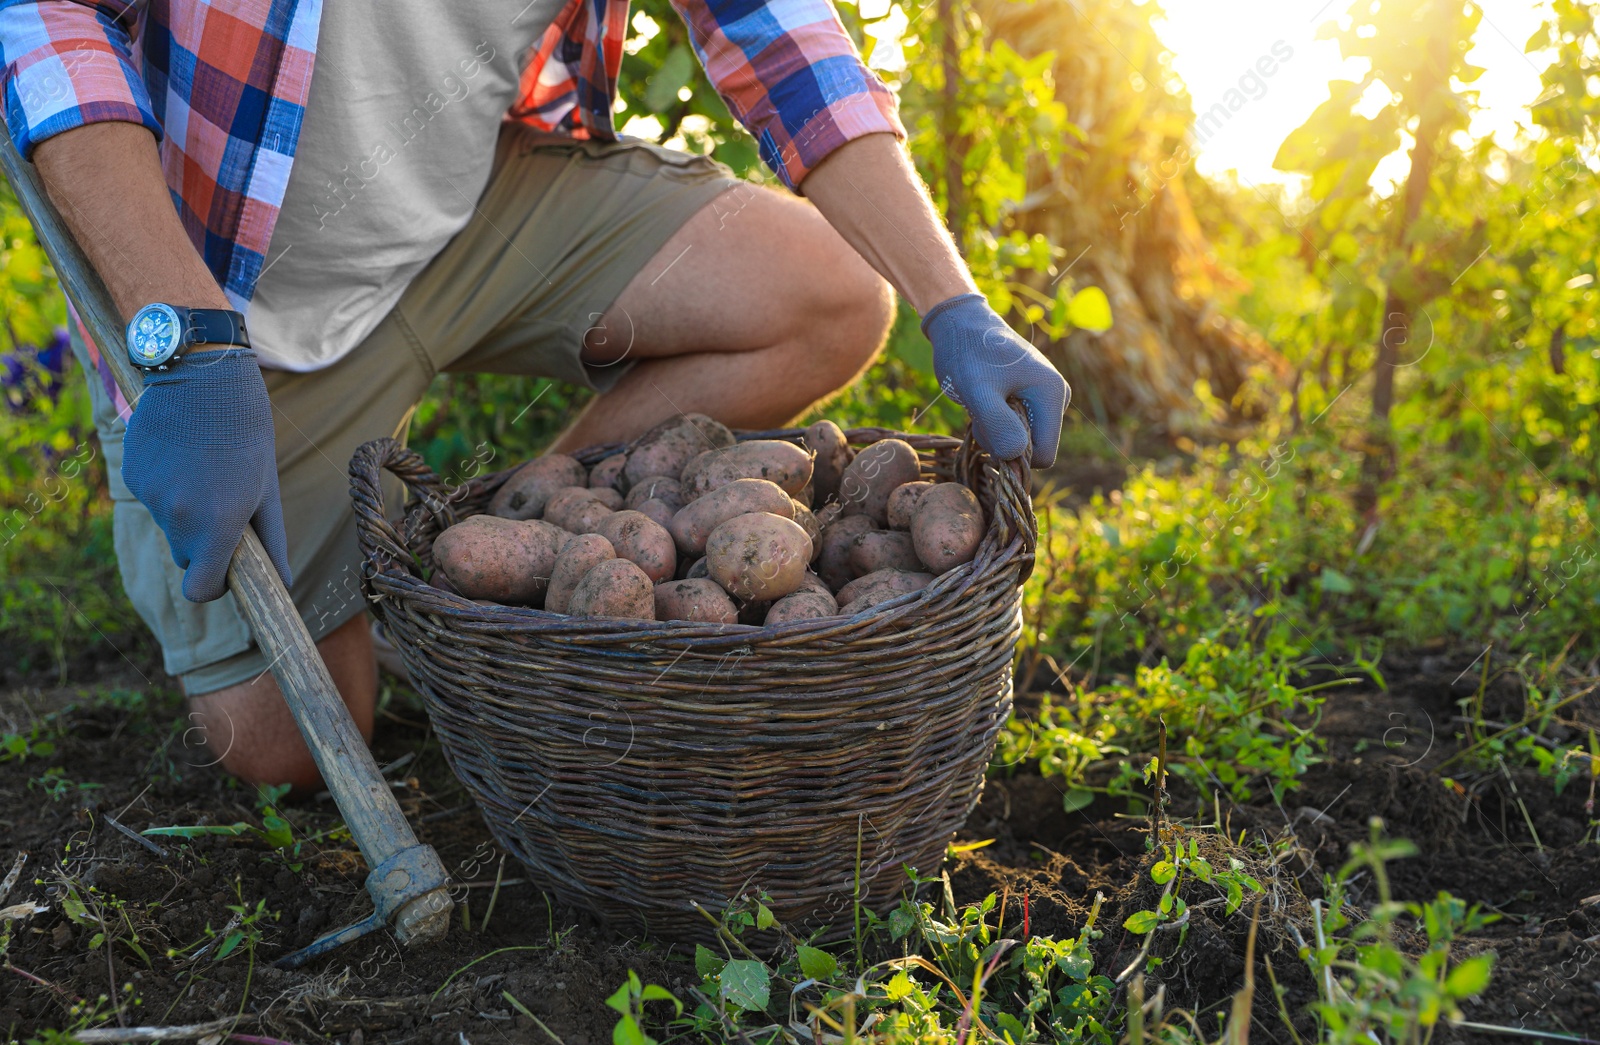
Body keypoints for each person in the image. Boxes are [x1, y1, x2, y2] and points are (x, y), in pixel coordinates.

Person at [0, 0, 1068, 792]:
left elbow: (782, 38)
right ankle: (420, 571)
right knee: (287, 751)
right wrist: (180, 337)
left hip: (475, 210)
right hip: (233, 282)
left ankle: (507, 558)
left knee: (828, 297)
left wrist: (954, 303)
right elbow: (43, 17)